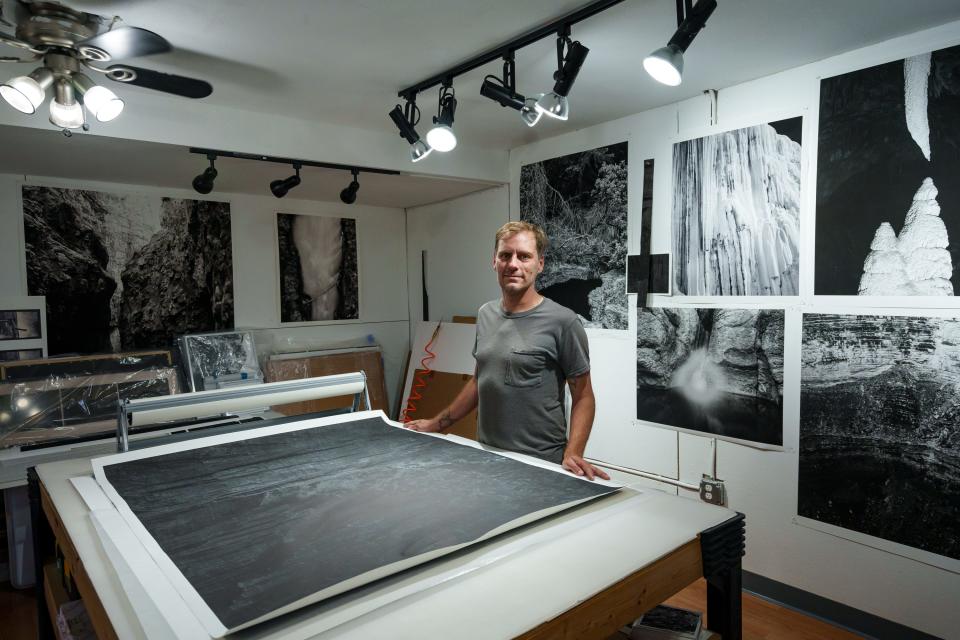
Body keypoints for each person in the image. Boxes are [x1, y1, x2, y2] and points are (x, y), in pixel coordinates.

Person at [405, 221, 610, 481]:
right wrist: (437, 424)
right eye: (505, 255)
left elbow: (583, 396)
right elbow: (481, 379)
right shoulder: (486, 314)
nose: (513, 264)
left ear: (540, 264)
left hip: (541, 464)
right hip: (488, 456)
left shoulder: (563, 322)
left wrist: (573, 452)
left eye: (524, 256)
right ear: (495, 262)